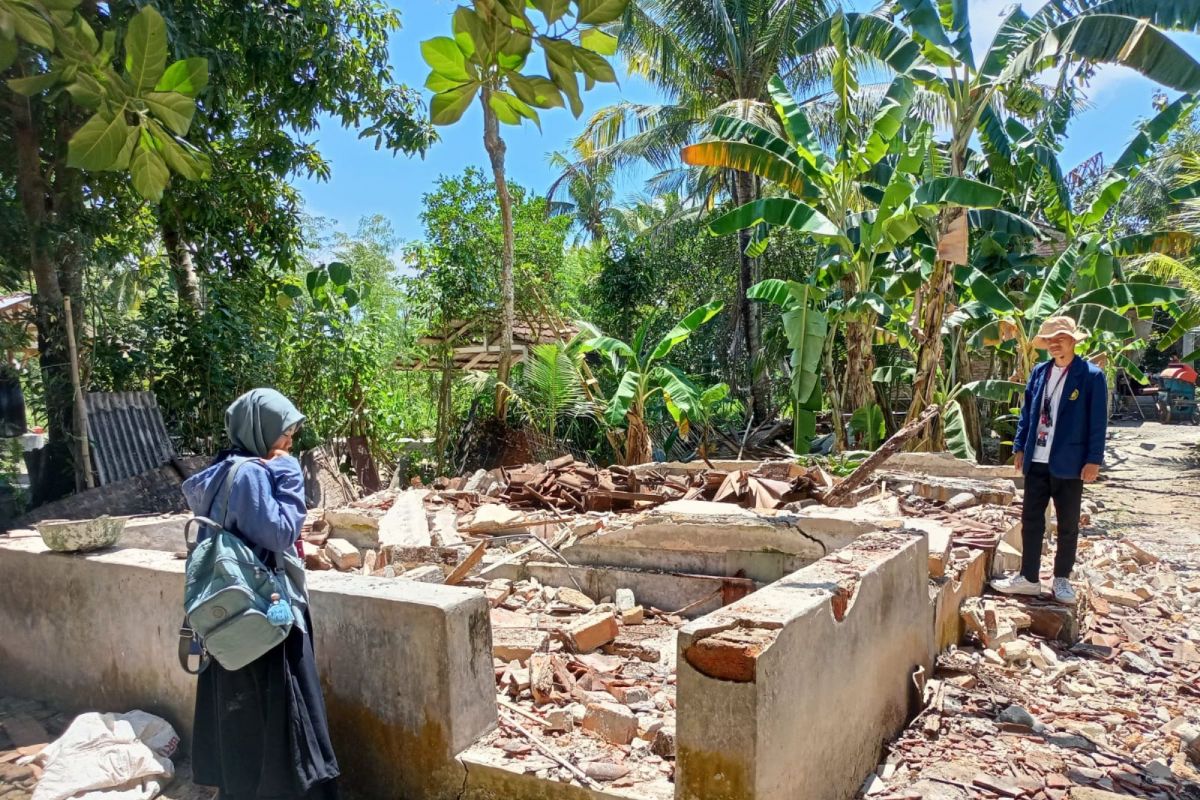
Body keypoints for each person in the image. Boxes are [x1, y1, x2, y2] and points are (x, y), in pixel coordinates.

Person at [182, 388, 339, 800]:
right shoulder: (252, 474)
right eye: (283, 434)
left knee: (242, 718)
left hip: (232, 613)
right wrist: (289, 478)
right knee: (282, 712)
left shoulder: (223, 469)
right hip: (264, 615)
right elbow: (280, 532)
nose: (288, 443)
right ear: (259, 428)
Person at [991, 317, 1107, 605]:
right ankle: (1029, 578)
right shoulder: (1039, 372)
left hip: (1070, 460)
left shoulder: (1090, 376)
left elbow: (1097, 422)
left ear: (1074, 340)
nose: (1056, 344)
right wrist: (1020, 446)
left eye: (1061, 338)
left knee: (1067, 524)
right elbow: (1027, 413)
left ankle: (1061, 579)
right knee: (1031, 520)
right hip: (1037, 458)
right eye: (1050, 340)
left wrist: (1094, 459)